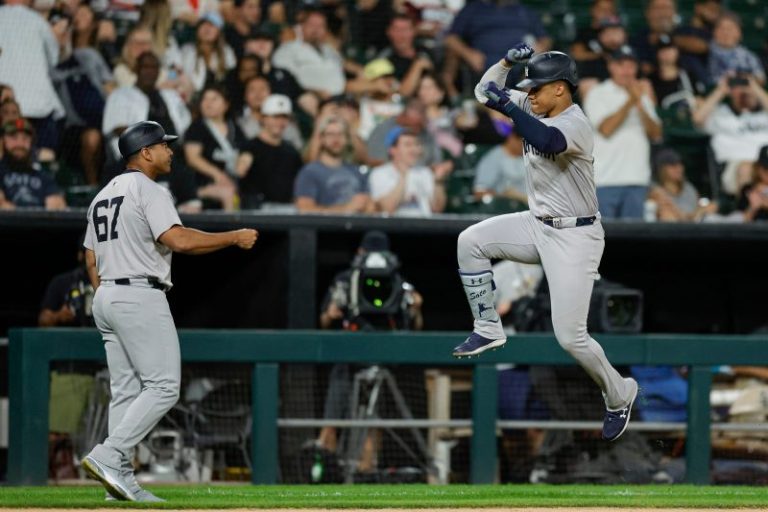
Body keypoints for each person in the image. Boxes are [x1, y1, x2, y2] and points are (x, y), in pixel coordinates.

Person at [452, 45, 638, 442]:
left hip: (576, 236)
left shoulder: (575, 122)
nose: (530, 94)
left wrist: (511, 107)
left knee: (570, 337)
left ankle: (620, 392)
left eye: (536, 88)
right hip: (537, 224)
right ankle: (488, 327)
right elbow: (484, 92)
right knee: (470, 242)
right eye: (528, 89)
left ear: (560, 88)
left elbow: (548, 141)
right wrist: (504, 63)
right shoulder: (534, 105)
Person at [80, 120, 258, 502]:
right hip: (139, 293)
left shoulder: (102, 195)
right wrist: (233, 236)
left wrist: (108, 295)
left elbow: (90, 257)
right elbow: (178, 240)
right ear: (145, 152)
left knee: (126, 391)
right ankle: (109, 455)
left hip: (107, 294)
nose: (170, 151)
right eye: (163, 145)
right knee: (163, 387)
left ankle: (119, 482)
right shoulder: (150, 189)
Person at [584, 46, 662, 219]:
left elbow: (656, 134)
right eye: (621, 65)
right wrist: (631, 100)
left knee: (634, 235)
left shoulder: (641, 95)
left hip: (637, 178)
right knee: (604, 233)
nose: (627, 71)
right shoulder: (598, 93)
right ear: (611, 66)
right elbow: (606, 129)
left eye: (631, 66)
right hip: (605, 179)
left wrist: (640, 104)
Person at [0, 0, 65, 163]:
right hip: (38, 107)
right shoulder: (37, 20)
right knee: (42, 163)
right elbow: (54, 59)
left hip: (11, 108)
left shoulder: (37, 20)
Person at [692, 73, 768, 195]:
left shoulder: (763, 115)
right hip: (735, 168)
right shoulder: (720, 115)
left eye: (746, 87)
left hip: (764, 163)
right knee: (746, 168)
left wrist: (755, 87)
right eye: (738, 88)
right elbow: (697, 119)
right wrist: (721, 90)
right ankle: (746, 205)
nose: (744, 92)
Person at [183, 86, 247, 211]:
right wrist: (218, 175)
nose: (208, 103)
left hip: (233, 181)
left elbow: (245, 151)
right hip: (201, 184)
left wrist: (243, 163)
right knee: (228, 192)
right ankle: (232, 224)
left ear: (226, 105)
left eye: (214, 99)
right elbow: (193, 158)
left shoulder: (235, 128)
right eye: (205, 99)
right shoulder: (196, 128)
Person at [294, 116, 374, 214]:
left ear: (347, 139)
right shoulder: (309, 172)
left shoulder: (357, 171)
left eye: (340, 134)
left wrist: (369, 207)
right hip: (327, 224)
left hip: (357, 222)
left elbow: (370, 206)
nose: (336, 139)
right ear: (322, 139)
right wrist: (345, 209)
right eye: (330, 134)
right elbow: (304, 209)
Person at [237, 94, 304, 209]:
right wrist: (243, 163)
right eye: (275, 117)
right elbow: (239, 172)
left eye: (284, 118)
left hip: (288, 208)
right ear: (263, 118)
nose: (280, 122)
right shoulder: (249, 147)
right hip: (257, 210)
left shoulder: (291, 150)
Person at [368, 126, 450, 216]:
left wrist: (438, 181)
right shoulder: (379, 173)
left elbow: (437, 209)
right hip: (395, 223)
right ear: (392, 150)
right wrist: (404, 176)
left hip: (423, 223)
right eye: (408, 145)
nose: (414, 149)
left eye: (416, 144)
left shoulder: (424, 172)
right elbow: (387, 208)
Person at [0, 118, 67, 210]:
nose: (20, 144)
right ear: (3, 141)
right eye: (14, 138)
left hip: (39, 218)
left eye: (25, 139)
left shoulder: (43, 177)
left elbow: (56, 204)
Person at [647, 147, 718, 222]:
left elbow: (696, 211)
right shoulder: (656, 189)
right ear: (662, 169)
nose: (678, 168)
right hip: (672, 227)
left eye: (680, 164)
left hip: (693, 224)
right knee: (666, 213)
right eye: (673, 165)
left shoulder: (689, 188)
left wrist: (702, 210)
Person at [39, 235, 95, 327]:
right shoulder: (62, 282)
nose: (93, 258)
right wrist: (58, 316)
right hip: (73, 333)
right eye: (89, 252)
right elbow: (43, 320)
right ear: (80, 255)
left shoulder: (110, 282)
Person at [737, 145, 768, 222]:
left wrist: (764, 202)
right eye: (765, 169)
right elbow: (741, 221)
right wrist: (753, 207)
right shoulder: (748, 189)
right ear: (758, 168)